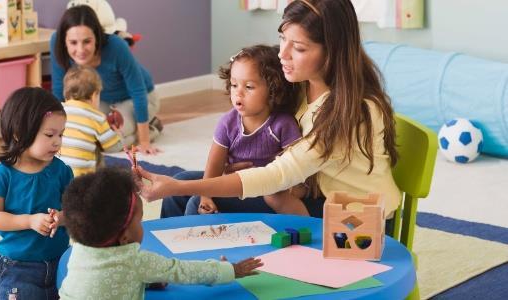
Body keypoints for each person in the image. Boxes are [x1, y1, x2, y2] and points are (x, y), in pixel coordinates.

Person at [141, 0, 401, 222]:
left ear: (331, 52)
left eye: (298, 48)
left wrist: (182, 186)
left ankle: (200, 275)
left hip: (350, 216)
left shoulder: (352, 111)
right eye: (282, 39)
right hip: (308, 191)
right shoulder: (300, 86)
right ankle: (165, 269)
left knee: (195, 198)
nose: (283, 54)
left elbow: (277, 175)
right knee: (182, 189)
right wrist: (193, 182)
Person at [58, 167, 263, 299]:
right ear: (125, 237)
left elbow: (105, 280)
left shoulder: (80, 249)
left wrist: (147, 280)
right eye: (139, 220)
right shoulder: (135, 261)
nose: (143, 224)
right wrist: (230, 270)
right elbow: (182, 271)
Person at [174, 44, 308, 216]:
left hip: (265, 190)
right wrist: (206, 196)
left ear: (274, 90)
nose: (238, 93)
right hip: (234, 181)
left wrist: (294, 190)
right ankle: (162, 237)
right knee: (178, 184)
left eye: (249, 87)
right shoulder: (227, 123)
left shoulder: (282, 124)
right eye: (234, 85)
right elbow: (214, 166)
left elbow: (298, 167)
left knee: (194, 203)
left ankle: (188, 241)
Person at [0, 87, 73, 300]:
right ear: (19, 134)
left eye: (61, 134)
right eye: (50, 135)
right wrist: (30, 221)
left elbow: (76, 210)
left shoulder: (61, 171)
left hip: (62, 260)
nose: (57, 141)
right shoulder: (2, 176)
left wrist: (60, 218)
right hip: (19, 267)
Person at [51, 5, 162, 155]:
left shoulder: (116, 46)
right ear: (64, 41)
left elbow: (138, 91)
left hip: (138, 98)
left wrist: (144, 141)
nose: (80, 50)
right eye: (73, 43)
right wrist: (59, 132)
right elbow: (59, 91)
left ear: (97, 37)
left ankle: (151, 128)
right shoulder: (56, 43)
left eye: (87, 41)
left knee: (109, 143)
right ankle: (139, 125)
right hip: (100, 101)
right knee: (87, 136)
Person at [59, 65, 124, 176]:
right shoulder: (97, 117)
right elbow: (114, 148)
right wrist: (118, 134)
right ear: (94, 95)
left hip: (58, 176)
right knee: (97, 151)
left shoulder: (59, 111)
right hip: (83, 180)